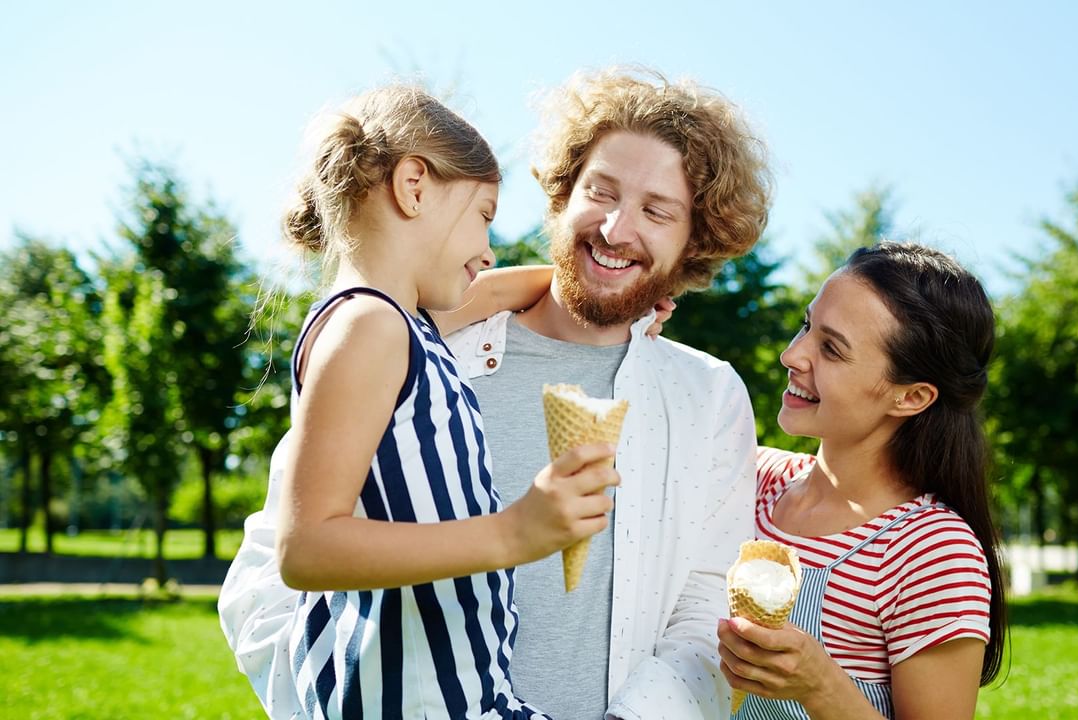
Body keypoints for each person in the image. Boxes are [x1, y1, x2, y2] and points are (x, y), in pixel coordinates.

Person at [218, 84, 624, 719]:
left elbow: (493, 292)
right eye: (484, 214)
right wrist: (512, 533)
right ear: (413, 187)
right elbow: (307, 549)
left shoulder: (410, 323)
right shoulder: (369, 327)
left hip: (467, 698)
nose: (488, 248)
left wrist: (614, 285)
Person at [440, 67, 773, 719]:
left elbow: (706, 608)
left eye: (657, 211)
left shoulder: (710, 397)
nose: (617, 230)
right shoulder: (433, 358)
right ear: (563, 193)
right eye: (602, 191)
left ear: (693, 242)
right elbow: (282, 571)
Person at [716, 242, 1008, 719]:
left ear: (910, 396)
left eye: (831, 348)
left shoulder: (932, 553)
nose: (792, 355)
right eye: (807, 326)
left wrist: (821, 687)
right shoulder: (750, 480)